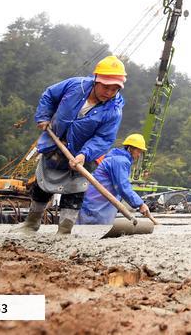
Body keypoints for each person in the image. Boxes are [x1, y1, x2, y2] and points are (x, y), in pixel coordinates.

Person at [17, 55, 127, 235]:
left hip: (81, 154)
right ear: (96, 79)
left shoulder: (113, 110)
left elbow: (103, 138)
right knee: (42, 186)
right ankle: (31, 223)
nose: (109, 92)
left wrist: (84, 155)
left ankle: (64, 230)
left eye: (114, 89)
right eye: (106, 87)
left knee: (75, 191)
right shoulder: (76, 86)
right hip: (54, 144)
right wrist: (44, 116)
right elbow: (49, 95)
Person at [76, 133, 152, 224]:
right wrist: (140, 204)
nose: (139, 155)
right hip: (98, 203)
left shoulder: (117, 159)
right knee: (91, 230)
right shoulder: (120, 161)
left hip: (99, 201)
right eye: (138, 151)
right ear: (130, 148)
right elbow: (123, 187)